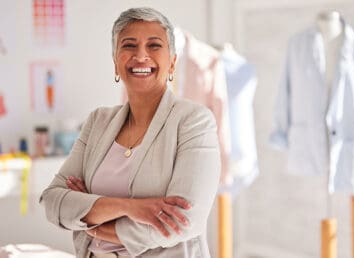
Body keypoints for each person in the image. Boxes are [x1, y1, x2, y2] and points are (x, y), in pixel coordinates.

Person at [40, 7, 221, 258]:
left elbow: (184, 222)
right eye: (129, 45)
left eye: (154, 45)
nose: (141, 55)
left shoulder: (193, 121)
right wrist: (130, 207)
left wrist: (91, 219)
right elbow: (52, 201)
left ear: (172, 62)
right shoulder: (98, 121)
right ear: (116, 62)